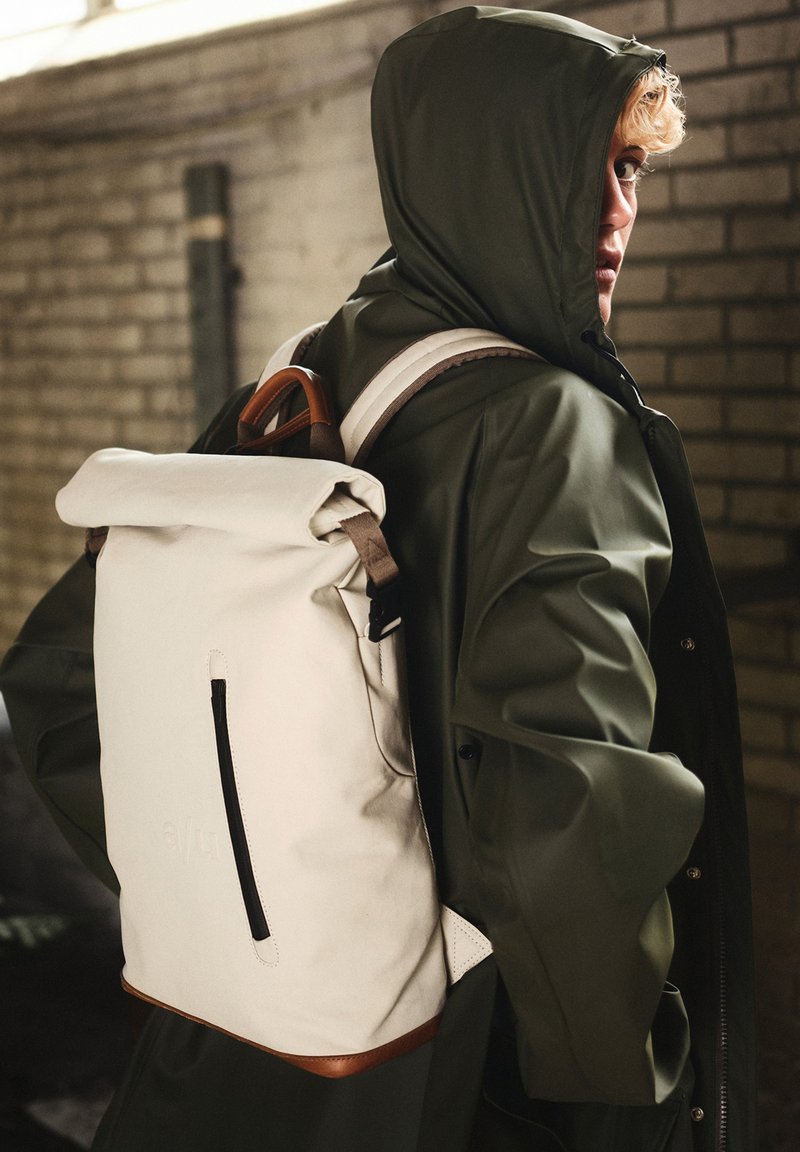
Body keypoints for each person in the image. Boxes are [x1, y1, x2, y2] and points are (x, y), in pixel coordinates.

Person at [0, 7, 757, 1151]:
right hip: (468, 1070)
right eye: (584, 166)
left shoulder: (306, 374)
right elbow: (567, 823)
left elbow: (59, 685)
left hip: (246, 1048)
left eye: (629, 170)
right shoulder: (553, 429)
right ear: (484, 169)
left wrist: (241, 895)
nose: (617, 213)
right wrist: (634, 1086)